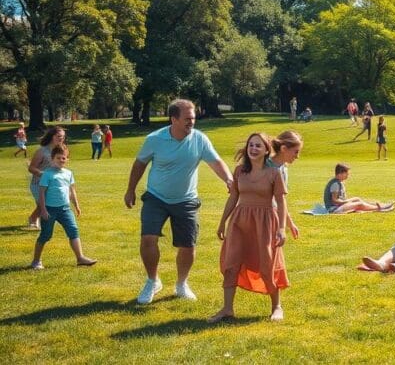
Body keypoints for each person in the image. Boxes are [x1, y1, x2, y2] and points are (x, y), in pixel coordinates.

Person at [124, 99, 234, 305]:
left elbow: (216, 162)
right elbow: (139, 163)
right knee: (148, 239)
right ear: (173, 119)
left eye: (193, 118)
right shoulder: (155, 139)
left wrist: (228, 178)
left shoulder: (200, 139)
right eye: (187, 119)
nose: (192, 122)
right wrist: (130, 190)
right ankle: (152, 281)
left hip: (186, 200)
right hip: (156, 197)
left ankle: (182, 284)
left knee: (187, 245)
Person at [208, 133, 288, 323]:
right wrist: (222, 222)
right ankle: (227, 309)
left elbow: (281, 202)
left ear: (266, 150)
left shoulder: (274, 173)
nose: (253, 149)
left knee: (267, 265)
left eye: (258, 146)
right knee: (231, 263)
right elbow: (233, 197)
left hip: (265, 222)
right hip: (240, 222)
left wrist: (282, 228)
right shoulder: (239, 171)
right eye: (251, 145)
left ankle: (277, 306)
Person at [30, 144, 97, 269]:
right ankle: (36, 261)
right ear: (52, 158)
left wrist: (76, 205)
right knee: (46, 235)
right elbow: (42, 193)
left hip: (65, 209)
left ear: (67, 159)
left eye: (64, 158)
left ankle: (80, 258)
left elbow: (72, 191)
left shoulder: (68, 173)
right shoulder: (47, 174)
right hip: (49, 210)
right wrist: (43, 210)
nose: (61, 160)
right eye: (58, 158)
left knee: (73, 231)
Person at [27, 126, 66, 230]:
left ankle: (33, 218)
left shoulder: (62, 150)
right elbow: (31, 168)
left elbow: (62, 164)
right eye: (59, 136)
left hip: (52, 183)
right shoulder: (42, 151)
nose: (61, 139)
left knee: (46, 204)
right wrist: (42, 174)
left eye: (63, 137)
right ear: (52, 136)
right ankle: (33, 219)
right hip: (38, 183)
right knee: (42, 204)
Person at [266, 130, 303, 241]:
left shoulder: (283, 169)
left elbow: (280, 200)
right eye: (296, 152)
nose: (297, 156)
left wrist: (290, 223)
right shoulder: (264, 166)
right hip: (261, 216)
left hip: (273, 217)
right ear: (283, 149)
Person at [323, 163, 393, 213]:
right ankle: (379, 208)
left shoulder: (338, 182)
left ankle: (380, 205)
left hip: (338, 207)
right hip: (333, 209)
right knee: (359, 204)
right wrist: (347, 202)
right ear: (340, 173)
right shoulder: (335, 184)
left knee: (357, 199)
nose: (348, 175)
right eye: (346, 174)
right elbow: (334, 200)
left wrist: (347, 202)